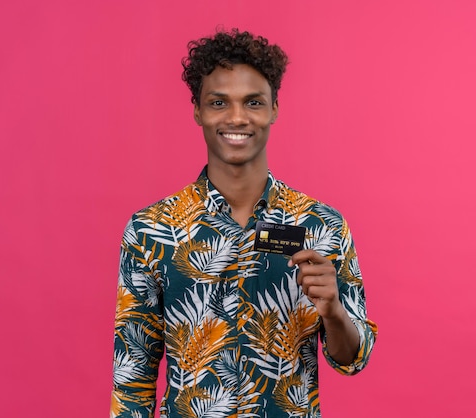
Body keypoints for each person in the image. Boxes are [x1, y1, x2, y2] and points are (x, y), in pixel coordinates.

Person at [111, 28, 377, 418]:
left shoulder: (322, 225)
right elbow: (132, 378)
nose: (237, 117)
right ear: (198, 110)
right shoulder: (151, 230)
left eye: (252, 102)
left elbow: (352, 359)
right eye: (219, 102)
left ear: (273, 109)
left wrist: (334, 311)